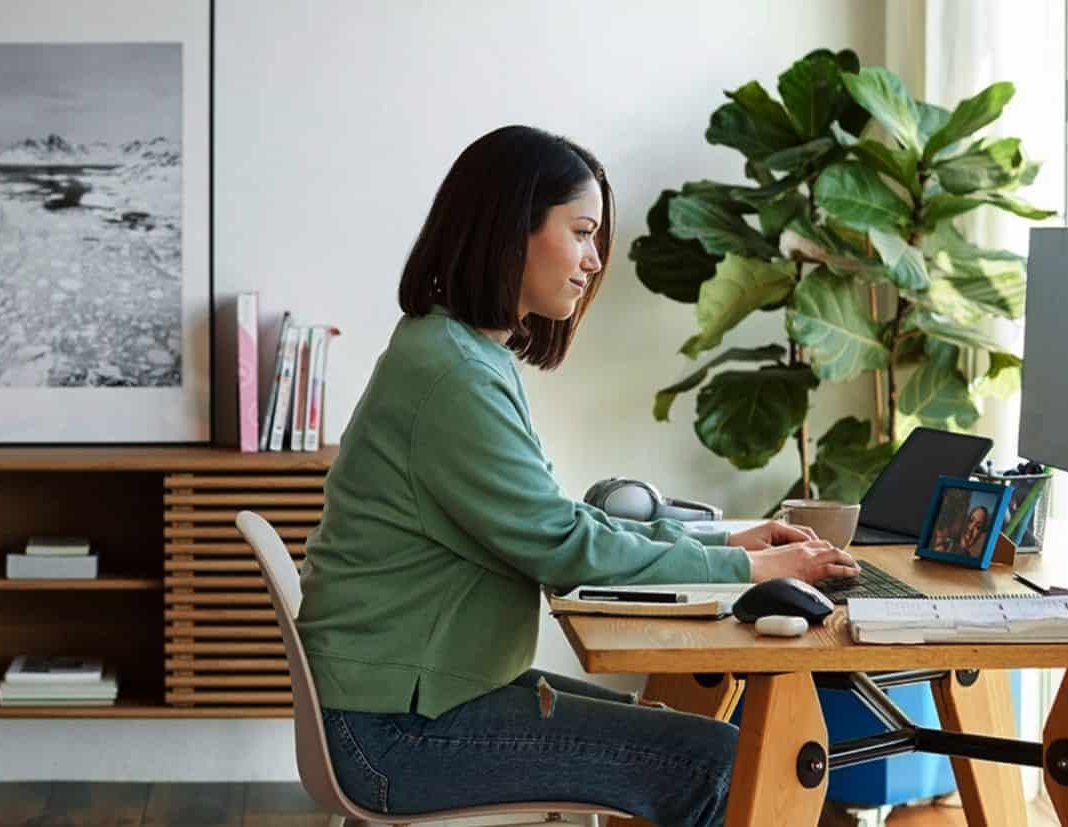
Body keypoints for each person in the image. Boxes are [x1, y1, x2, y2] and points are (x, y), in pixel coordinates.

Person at [292, 125, 862, 827]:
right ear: (512, 229)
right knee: (719, 762)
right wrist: (746, 565)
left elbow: (551, 522)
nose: (594, 261)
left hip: (407, 702)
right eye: (582, 232)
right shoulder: (453, 374)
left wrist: (739, 545)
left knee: (683, 734)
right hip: (394, 732)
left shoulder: (455, 351)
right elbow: (562, 548)